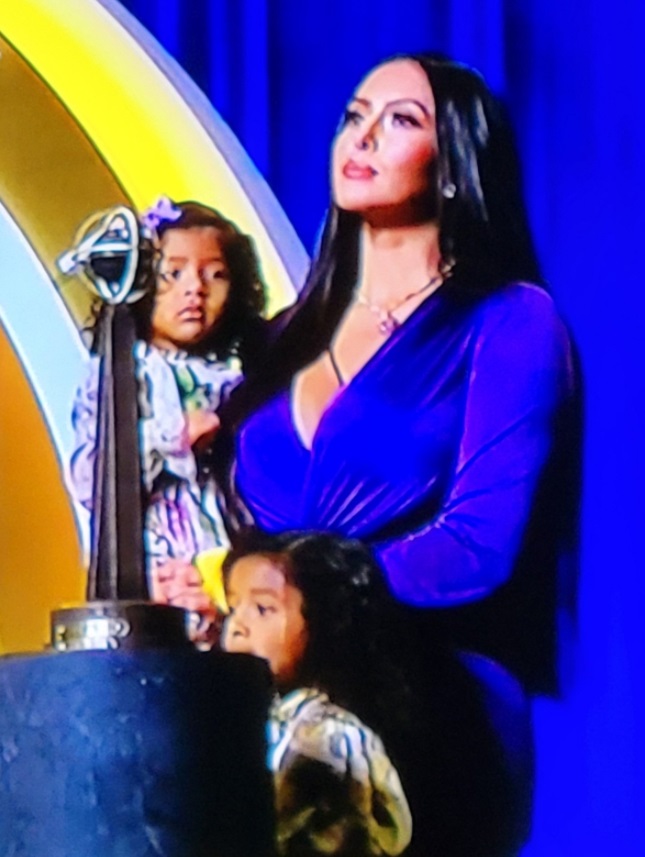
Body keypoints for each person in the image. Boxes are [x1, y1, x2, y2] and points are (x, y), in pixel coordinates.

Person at [220, 53, 581, 695]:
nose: (363, 137)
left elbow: (478, 544)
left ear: (452, 166)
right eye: (354, 117)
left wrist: (307, 598)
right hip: (258, 700)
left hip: (427, 695)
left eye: (401, 120)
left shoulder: (512, 322)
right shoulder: (279, 338)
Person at [221, 530, 520, 857]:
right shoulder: (262, 717)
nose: (236, 626)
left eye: (263, 609)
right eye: (232, 608)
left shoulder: (329, 740)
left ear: (329, 621)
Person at [69, 199, 267, 625]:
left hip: (229, 552)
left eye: (215, 274)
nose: (194, 288)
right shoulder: (122, 372)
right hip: (154, 556)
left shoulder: (236, 375)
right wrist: (171, 439)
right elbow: (91, 480)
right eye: (172, 275)